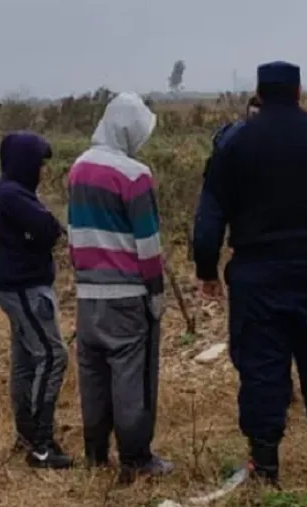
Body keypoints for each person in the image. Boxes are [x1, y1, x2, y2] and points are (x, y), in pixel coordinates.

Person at [191, 61, 307, 486]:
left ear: (259, 91)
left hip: (257, 273)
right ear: (299, 90)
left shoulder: (233, 143)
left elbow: (209, 218)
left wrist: (207, 270)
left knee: (262, 367)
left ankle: (265, 466)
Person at [67, 91, 173, 483]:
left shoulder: (78, 167)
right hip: (127, 295)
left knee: (92, 375)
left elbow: (73, 232)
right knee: (132, 378)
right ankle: (136, 458)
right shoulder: (134, 174)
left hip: (87, 293)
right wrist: (156, 292)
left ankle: (96, 454)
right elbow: (147, 243)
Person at [0, 131, 71, 469]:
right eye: (39, 163)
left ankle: (27, 433)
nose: (43, 170)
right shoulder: (15, 196)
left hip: (17, 288)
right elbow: (50, 229)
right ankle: (41, 442)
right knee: (52, 356)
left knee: (26, 360)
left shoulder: (12, 192)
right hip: (26, 288)